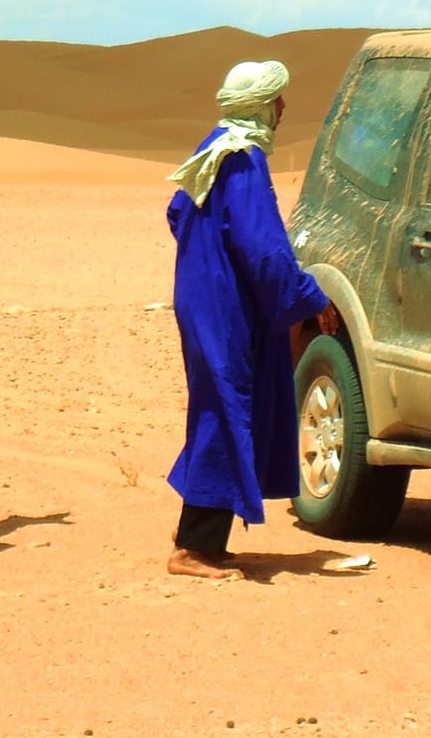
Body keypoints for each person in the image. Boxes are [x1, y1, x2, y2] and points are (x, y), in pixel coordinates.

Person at [163, 59, 332, 580]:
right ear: (261, 105)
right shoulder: (242, 159)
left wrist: (203, 259)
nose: (283, 109)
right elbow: (263, 250)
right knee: (226, 409)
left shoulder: (213, 148)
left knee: (221, 407)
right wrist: (310, 298)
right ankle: (193, 549)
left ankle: (197, 530)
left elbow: (177, 211)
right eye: (276, 100)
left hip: (204, 299)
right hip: (225, 309)